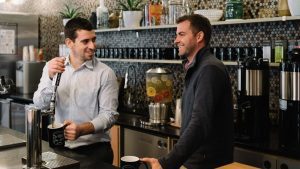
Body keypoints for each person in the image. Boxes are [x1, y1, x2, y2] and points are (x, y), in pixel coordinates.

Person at [141, 14, 234, 169]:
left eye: (181, 34)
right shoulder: (197, 67)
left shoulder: (209, 69)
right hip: (194, 161)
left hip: (206, 163)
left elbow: (200, 123)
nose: (176, 40)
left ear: (199, 36)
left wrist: (166, 163)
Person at [33, 17, 119, 165]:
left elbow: (109, 115)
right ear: (69, 43)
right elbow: (39, 104)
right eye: (85, 41)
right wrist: (49, 77)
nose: (93, 46)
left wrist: (82, 129)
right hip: (59, 149)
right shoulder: (52, 67)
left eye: (93, 39)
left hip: (95, 152)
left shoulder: (105, 73)